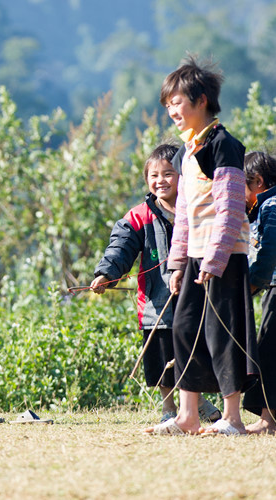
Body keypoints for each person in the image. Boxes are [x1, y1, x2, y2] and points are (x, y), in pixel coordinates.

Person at [145, 55, 258, 435]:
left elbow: (228, 207)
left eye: (177, 102)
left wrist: (216, 258)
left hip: (223, 256)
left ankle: (233, 418)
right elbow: (185, 216)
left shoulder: (223, 145)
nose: (172, 110)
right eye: (168, 105)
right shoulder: (185, 151)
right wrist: (177, 265)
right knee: (184, 327)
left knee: (223, 332)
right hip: (196, 256)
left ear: (202, 101)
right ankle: (187, 415)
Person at [91, 144, 221, 424]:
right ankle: (168, 409)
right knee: (162, 359)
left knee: (194, 352)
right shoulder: (139, 215)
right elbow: (120, 247)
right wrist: (106, 274)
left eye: (168, 173)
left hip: (196, 294)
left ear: (184, 176)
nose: (160, 180)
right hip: (156, 301)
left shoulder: (199, 209)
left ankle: (196, 401)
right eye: (154, 175)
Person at [241, 151, 276, 434]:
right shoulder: (263, 207)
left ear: (258, 182)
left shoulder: (271, 207)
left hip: (275, 287)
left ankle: (268, 420)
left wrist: (255, 282)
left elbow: (268, 253)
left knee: (268, 350)